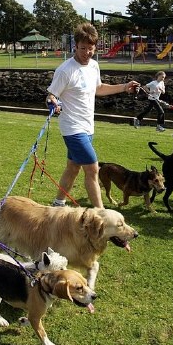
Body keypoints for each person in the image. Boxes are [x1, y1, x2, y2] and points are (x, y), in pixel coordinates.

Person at [46, 22, 139, 208]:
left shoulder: (94, 66)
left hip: (88, 127)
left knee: (73, 168)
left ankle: (58, 203)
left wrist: (124, 87)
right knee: (93, 169)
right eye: (83, 48)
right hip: (72, 129)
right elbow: (51, 95)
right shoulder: (65, 70)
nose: (87, 53)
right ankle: (101, 213)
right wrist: (52, 102)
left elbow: (98, 88)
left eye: (91, 48)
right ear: (75, 46)